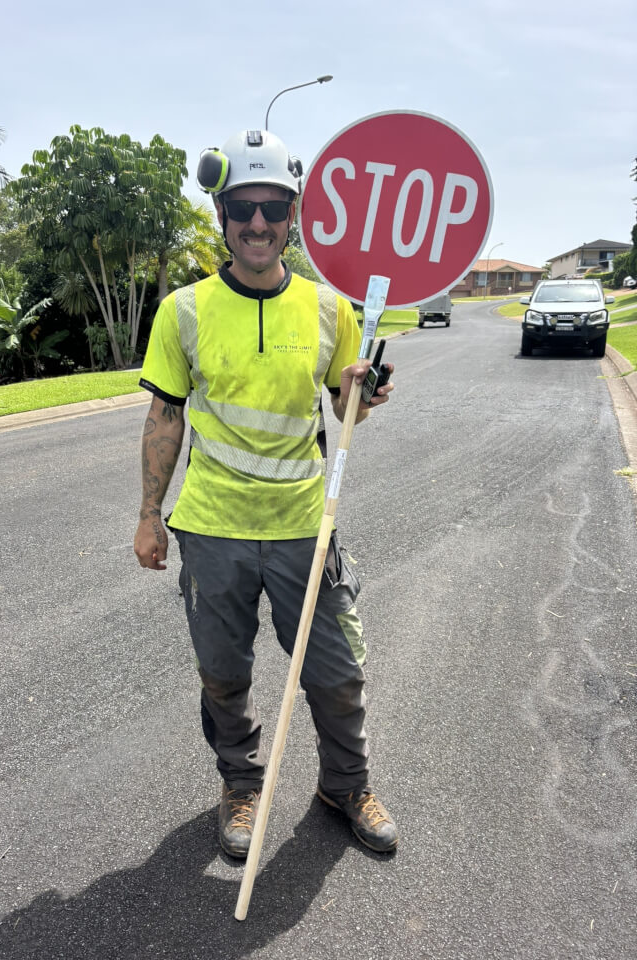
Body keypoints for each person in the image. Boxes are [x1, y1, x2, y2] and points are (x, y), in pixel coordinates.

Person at [133, 128, 398, 858]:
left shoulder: (328, 309)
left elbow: (348, 412)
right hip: (213, 528)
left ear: (293, 216)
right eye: (243, 207)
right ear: (222, 214)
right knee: (223, 675)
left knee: (337, 672)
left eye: (273, 208)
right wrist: (150, 517)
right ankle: (241, 787)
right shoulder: (183, 311)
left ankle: (345, 784)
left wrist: (362, 394)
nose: (258, 223)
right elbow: (165, 415)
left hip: (304, 525)